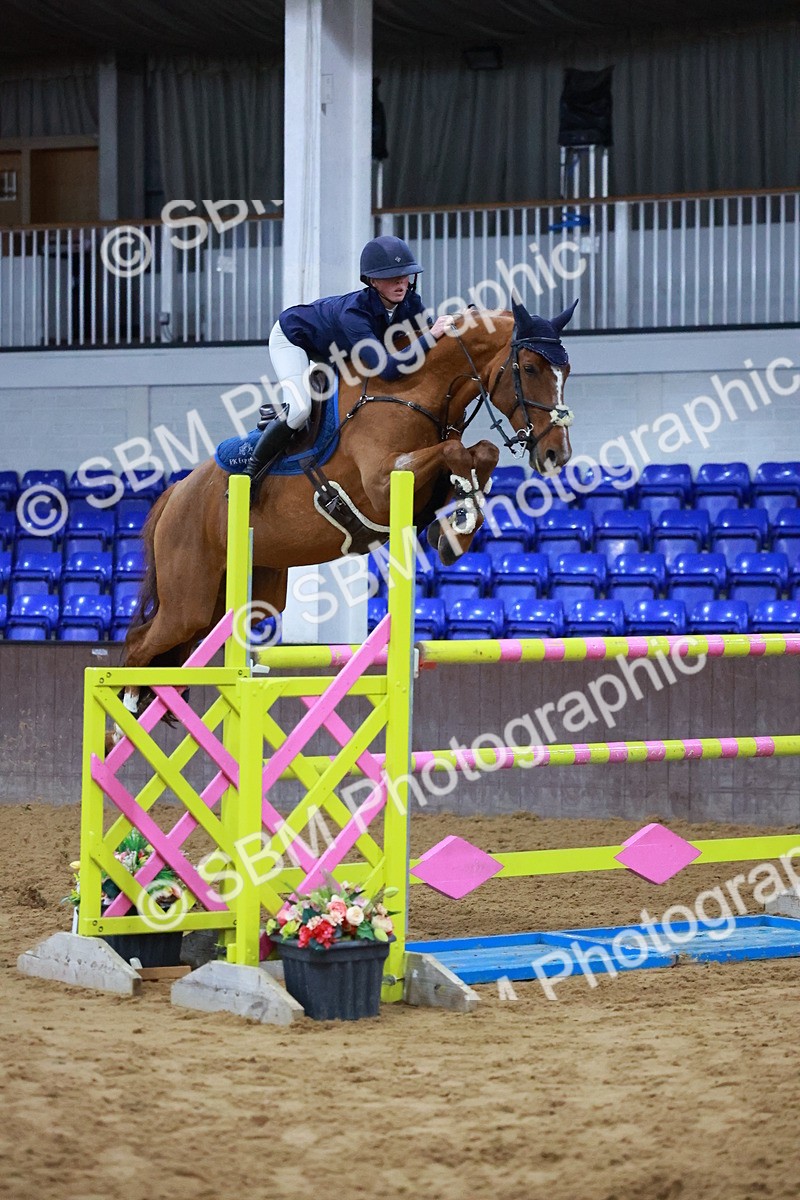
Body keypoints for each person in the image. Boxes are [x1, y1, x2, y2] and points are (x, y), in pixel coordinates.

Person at [244, 235, 453, 481]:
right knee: (300, 410)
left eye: (405, 275)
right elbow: (388, 368)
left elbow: (428, 344)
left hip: (335, 348)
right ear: (373, 281)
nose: (401, 282)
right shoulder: (354, 315)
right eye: (391, 277)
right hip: (293, 338)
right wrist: (433, 334)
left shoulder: (410, 303)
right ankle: (252, 472)